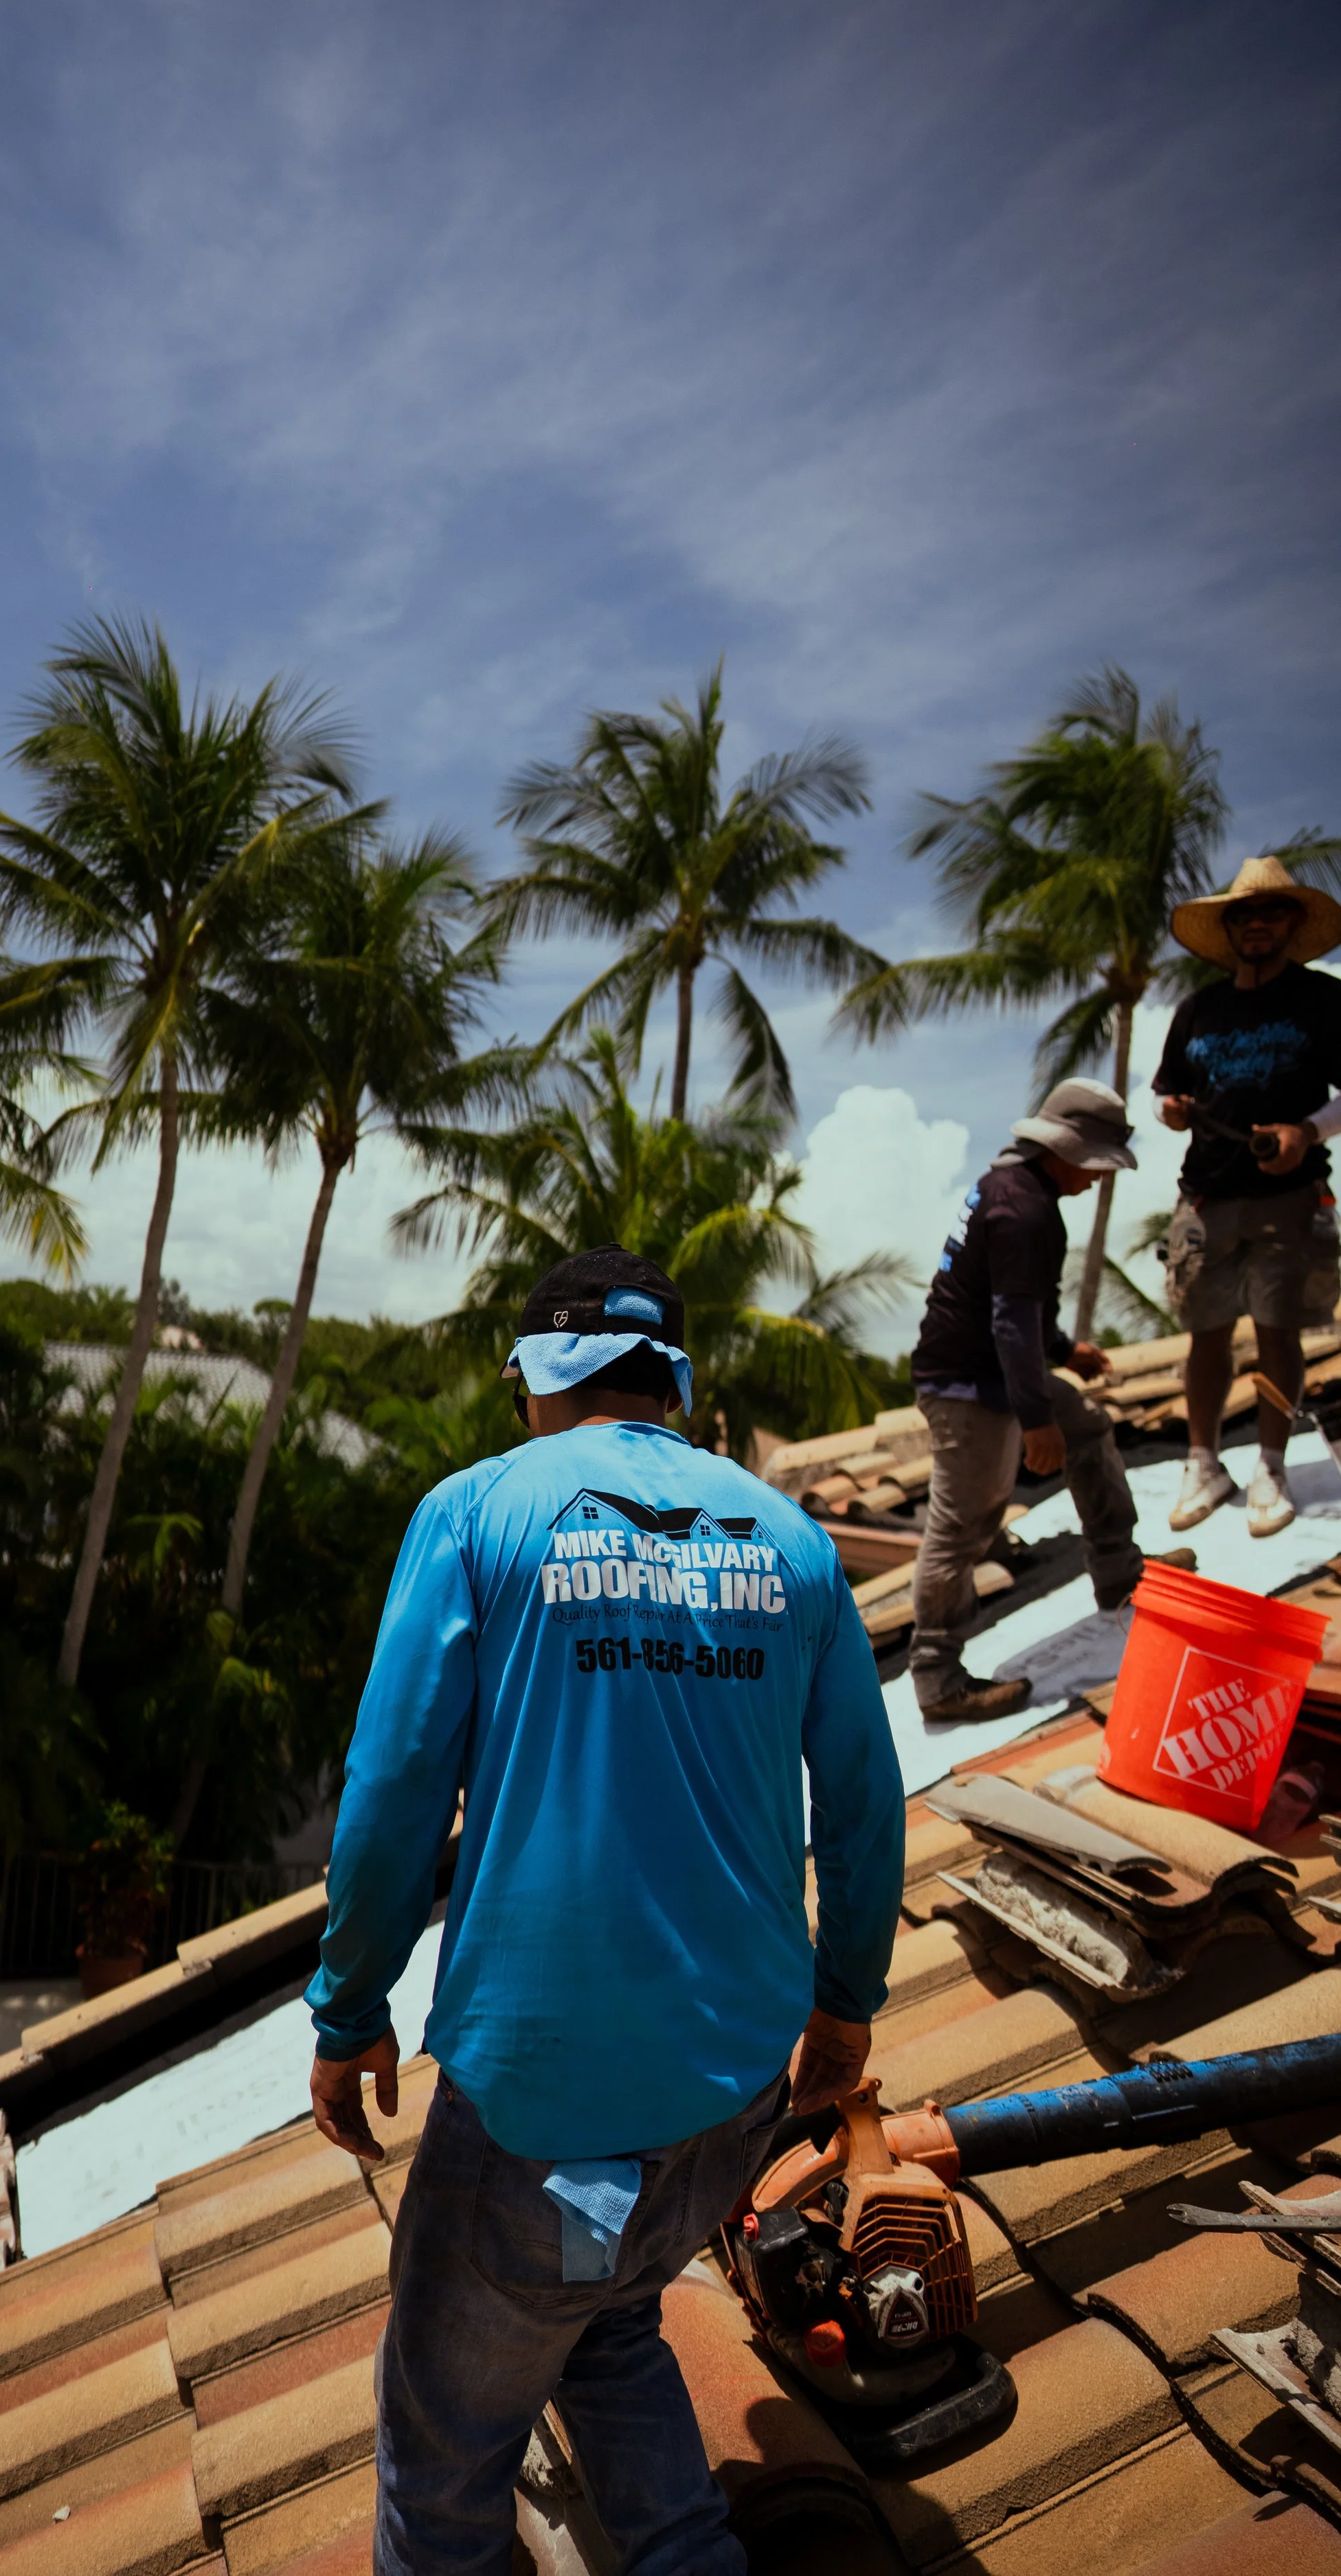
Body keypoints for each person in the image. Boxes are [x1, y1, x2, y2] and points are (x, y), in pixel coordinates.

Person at [304, 1245, 904, 2575]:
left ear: (533, 1379)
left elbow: (394, 1789)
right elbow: (864, 1805)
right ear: (668, 1380)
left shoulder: (474, 1516)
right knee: (612, 2315)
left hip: (541, 2112)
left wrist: (348, 2012)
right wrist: (844, 2005)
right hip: (723, 2100)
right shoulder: (790, 1541)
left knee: (443, 2455)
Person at [908, 1079, 1168, 1724]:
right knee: (963, 1523)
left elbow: (1013, 1311)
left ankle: (1119, 1571)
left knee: (1089, 1426)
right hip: (966, 1385)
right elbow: (1008, 1325)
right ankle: (938, 1677)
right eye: (1096, 1163)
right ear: (1065, 1151)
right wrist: (1036, 1419)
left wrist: (1064, 1350)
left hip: (991, 1368)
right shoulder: (1027, 1211)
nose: (1098, 1179)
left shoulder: (1011, 1188)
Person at [1154, 855, 1341, 1540]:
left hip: (1289, 1196)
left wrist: (1305, 1131)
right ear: (1228, 928)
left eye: (1269, 912)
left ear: (1293, 922)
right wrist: (1171, 1111)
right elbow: (1165, 1094)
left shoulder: (1322, 1000)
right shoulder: (1197, 1009)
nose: (1256, 923)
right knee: (1203, 1335)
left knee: (1276, 1330)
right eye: (1244, 914)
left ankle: (1271, 1464)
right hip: (1203, 1197)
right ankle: (1202, 1462)